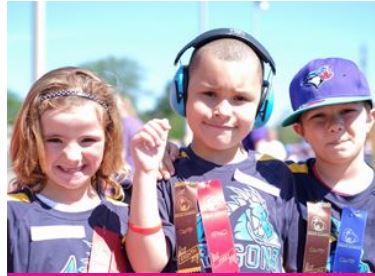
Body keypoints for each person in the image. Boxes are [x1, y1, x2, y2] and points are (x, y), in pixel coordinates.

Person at [126, 28, 299, 272]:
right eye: (209, 94)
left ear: (262, 105)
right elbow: (146, 266)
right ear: (182, 94)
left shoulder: (277, 175)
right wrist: (144, 173)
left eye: (240, 98)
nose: (223, 111)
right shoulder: (164, 174)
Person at [7, 67, 130, 272]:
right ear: (31, 139)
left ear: (108, 140)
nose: (72, 156)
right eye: (54, 140)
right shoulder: (10, 215)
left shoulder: (126, 217)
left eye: (87, 140)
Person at [281, 57, 375, 272]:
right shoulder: (283, 184)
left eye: (347, 111)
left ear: (370, 119)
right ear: (300, 130)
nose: (334, 125)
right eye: (319, 116)